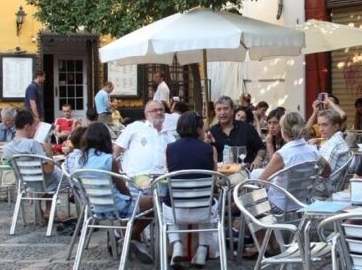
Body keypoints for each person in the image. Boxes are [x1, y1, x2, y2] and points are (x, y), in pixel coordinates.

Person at [75, 123, 154, 264]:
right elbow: (123, 188)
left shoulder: (80, 160)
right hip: (116, 207)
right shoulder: (108, 160)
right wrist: (132, 197)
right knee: (153, 204)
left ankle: (128, 237)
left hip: (95, 208)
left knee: (130, 203)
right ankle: (130, 237)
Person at [165, 111, 218, 267]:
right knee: (209, 200)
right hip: (203, 212)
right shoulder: (210, 149)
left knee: (168, 200)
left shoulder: (169, 148)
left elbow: (168, 174)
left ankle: (177, 246)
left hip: (176, 212)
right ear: (199, 129)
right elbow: (214, 178)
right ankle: (202, 251)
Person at [258, 111, 331, 212]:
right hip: (302, 203)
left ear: (283, 131)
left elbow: (260, 181)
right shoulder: (313, 151)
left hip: (279, 206)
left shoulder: (282, 154)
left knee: (247, 200)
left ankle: (235, 220)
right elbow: (327, 172)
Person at [3, 109, 62, 222]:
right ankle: (49, 210)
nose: (35, 129)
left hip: (26, 183)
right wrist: (49, 152)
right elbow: (49, 170)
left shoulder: (7, 148)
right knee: (61, 175)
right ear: (27, 127)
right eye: (34, 126)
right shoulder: (33, 144)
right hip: (45, 183)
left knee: (49, 177)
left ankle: (38, 208)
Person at [113, 101, 175, 189]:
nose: (159, 112)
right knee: (147, 187)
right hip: (138, 175)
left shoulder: (169, 134)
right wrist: (117, 173)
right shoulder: (135, 127)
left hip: (162, 176)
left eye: (161, 110)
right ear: (147, 114)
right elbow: (117, 149)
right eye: (155, 110)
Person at [207, 96, 265, 169]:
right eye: (219, 109)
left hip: (246, 173)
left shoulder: (247, 128)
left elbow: (261, 148)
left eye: (225, 109)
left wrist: (258, 159)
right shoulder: (211, 132)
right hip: (221, 174)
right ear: (215, 112)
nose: (222, 112)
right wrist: (206, 143)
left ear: (232, 111)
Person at [313, 109, 351, 191]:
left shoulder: (333, 144)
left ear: (336, 127)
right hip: (328, 187)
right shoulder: (336, 140)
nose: (320, 129)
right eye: (319, 125)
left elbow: (323, 172)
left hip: (322, 190)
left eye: (324, 125)